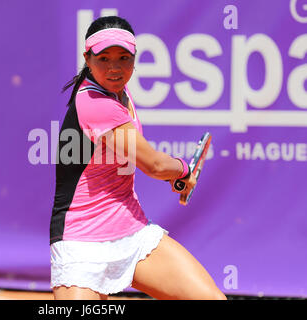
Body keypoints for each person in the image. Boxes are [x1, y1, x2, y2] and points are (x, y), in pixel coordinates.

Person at [49, 16, 227, 300]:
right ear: (87, 58)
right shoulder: (95, 104)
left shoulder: (120, 91)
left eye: (123, 58)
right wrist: (183, 169)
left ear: (134, 59)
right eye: (104, 58)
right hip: (81, 243)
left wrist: (177, 173)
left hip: (132, 233)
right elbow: (154, 165)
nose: (115, 67)